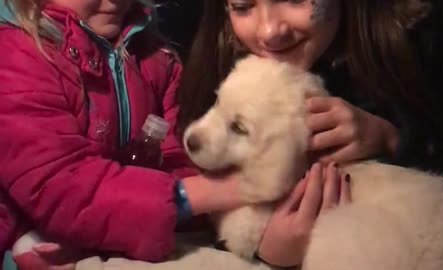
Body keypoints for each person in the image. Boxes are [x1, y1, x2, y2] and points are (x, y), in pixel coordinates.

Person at [0, 0, 349, 269]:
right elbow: (58, 183)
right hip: (36, 247)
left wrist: (252, 229)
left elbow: (182, 157)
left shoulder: (156, 58)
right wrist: (214, 194)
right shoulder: (15, 56)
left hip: (130, 238)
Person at [175, 0, 443, 266]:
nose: (269, 30)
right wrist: (265, 245)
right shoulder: (220, 52)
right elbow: (191, 170)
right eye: (242, 6)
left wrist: (393, 139)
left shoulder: (416, 32)